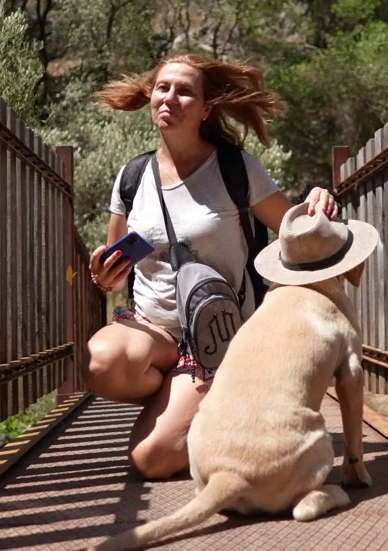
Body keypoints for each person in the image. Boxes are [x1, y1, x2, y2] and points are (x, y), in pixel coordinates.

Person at [83, 54, 339, 480]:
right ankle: (180, 392)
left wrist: (318, 201)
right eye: (163, 88)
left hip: (217, 338)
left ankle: (218, 389)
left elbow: (295, 234)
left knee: (152, 461)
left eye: (185, 91)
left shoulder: (235, 169)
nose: (171, 98)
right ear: (151, 96)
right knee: (102, 364)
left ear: (205, 109)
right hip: (155, 328)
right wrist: (103, 274)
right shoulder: (132, 177)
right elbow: (116, 266)